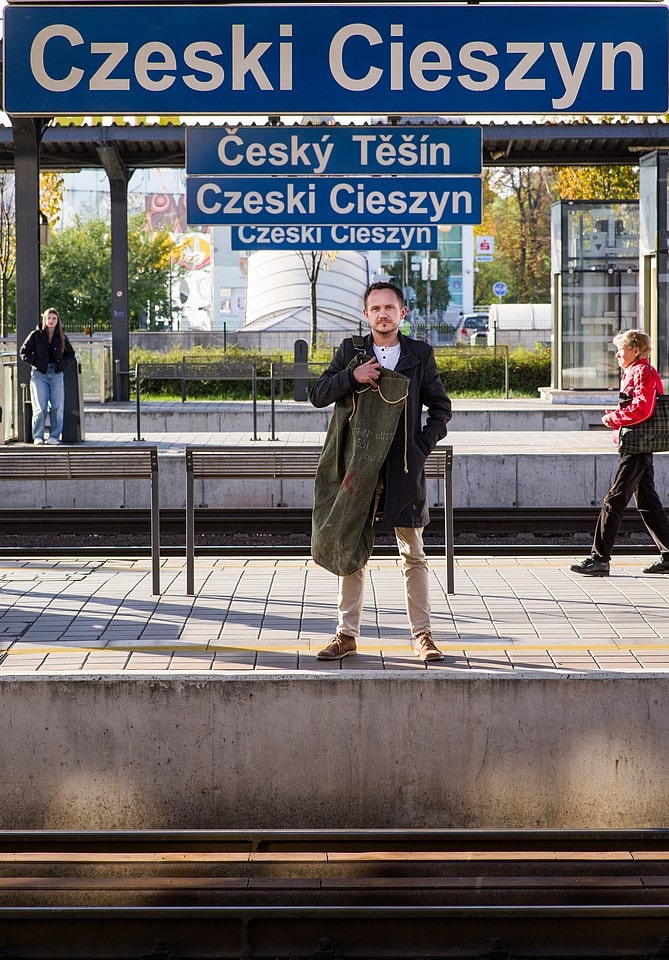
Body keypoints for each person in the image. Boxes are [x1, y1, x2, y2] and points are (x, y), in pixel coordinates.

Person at [310, 280, 452, 661]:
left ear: (402, 313)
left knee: (413, 554)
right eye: (375, 309)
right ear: (366, 314)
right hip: (358, 471)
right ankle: (346, 635)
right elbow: (317, 394)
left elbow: (441, 408)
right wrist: (351, 377)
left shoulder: (419, 354)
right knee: (351, 549)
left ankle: (423, 636)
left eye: (389, 308)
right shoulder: (352, 351)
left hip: (403, 470)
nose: (382, 314)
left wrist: (419, 449)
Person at [571, 329, 669, 577]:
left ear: (635, 350)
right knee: (647, 503)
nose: (616, 354)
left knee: (614, 500)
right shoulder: (635, 371)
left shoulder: (642, 372)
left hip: (637, 446)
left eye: (620, 349)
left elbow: (643, 409)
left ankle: (599, 559)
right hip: (638, 444)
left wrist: (614, 418)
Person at [19, 307, 75, 445]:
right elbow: (24, 352)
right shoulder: (36, 335)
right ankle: (38, 436)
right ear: (44, 319)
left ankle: (54, 437)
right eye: (48, 318)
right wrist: (37, 363)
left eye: (54, 318)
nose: (51, 321)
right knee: (40, 407)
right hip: (39, 374)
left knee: (57, 407)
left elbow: (71, 355)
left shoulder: (61, 336)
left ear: (57, 320)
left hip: (56, 374)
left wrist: (62, 365)